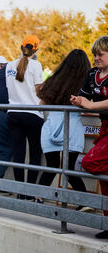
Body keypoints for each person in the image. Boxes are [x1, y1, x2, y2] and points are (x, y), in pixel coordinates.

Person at [36, 49, 90, 203]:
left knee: (51, 165)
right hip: (72, 128)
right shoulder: (86, 83)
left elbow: (41, 106)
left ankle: (38, 198)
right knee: (69, 169)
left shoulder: (54, 80)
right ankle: (84, 202)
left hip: (51, 126)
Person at [70, 35, 108, 239]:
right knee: (104, 181)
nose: (96, 58)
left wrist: (92, 105)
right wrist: (78, 100)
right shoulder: (93, 73)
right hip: (104, 127)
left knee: (91, 162)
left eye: (100, 54)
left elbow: (93, 103)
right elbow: (85, 97)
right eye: (94, 54)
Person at [5, 35, 44, 195]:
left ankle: (20, 191)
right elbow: (39, 90)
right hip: (32, 113)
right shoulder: (36, 65)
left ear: (21, 47)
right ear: (36, 49)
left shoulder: (9, 65)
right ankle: (30, 191)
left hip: (13, 113)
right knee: (35, 154)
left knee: (19, 154)